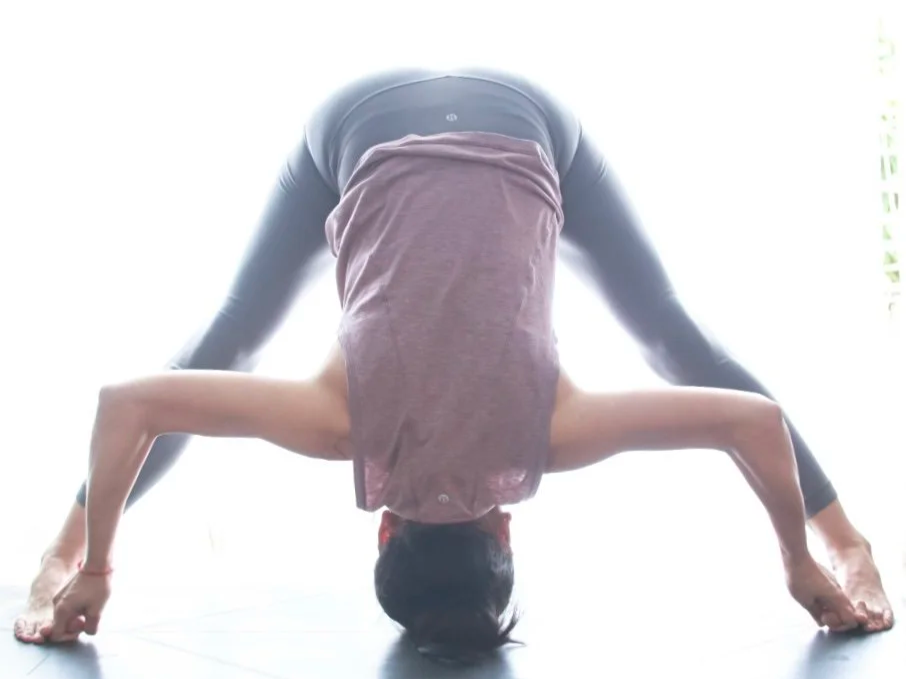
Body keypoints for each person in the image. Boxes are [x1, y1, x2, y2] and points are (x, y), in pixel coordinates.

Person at [13, 68, 894, 658]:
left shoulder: (549, 437)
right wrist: (94, 566)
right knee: (230, 341)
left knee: (671, 342)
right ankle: (57, 550)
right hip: (363, 121)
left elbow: (749, 424)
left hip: (527, 121)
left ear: (506, 527)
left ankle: (846, 545)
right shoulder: (340, 427)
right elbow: (130, 403)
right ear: (384, 528)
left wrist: (800, 562)